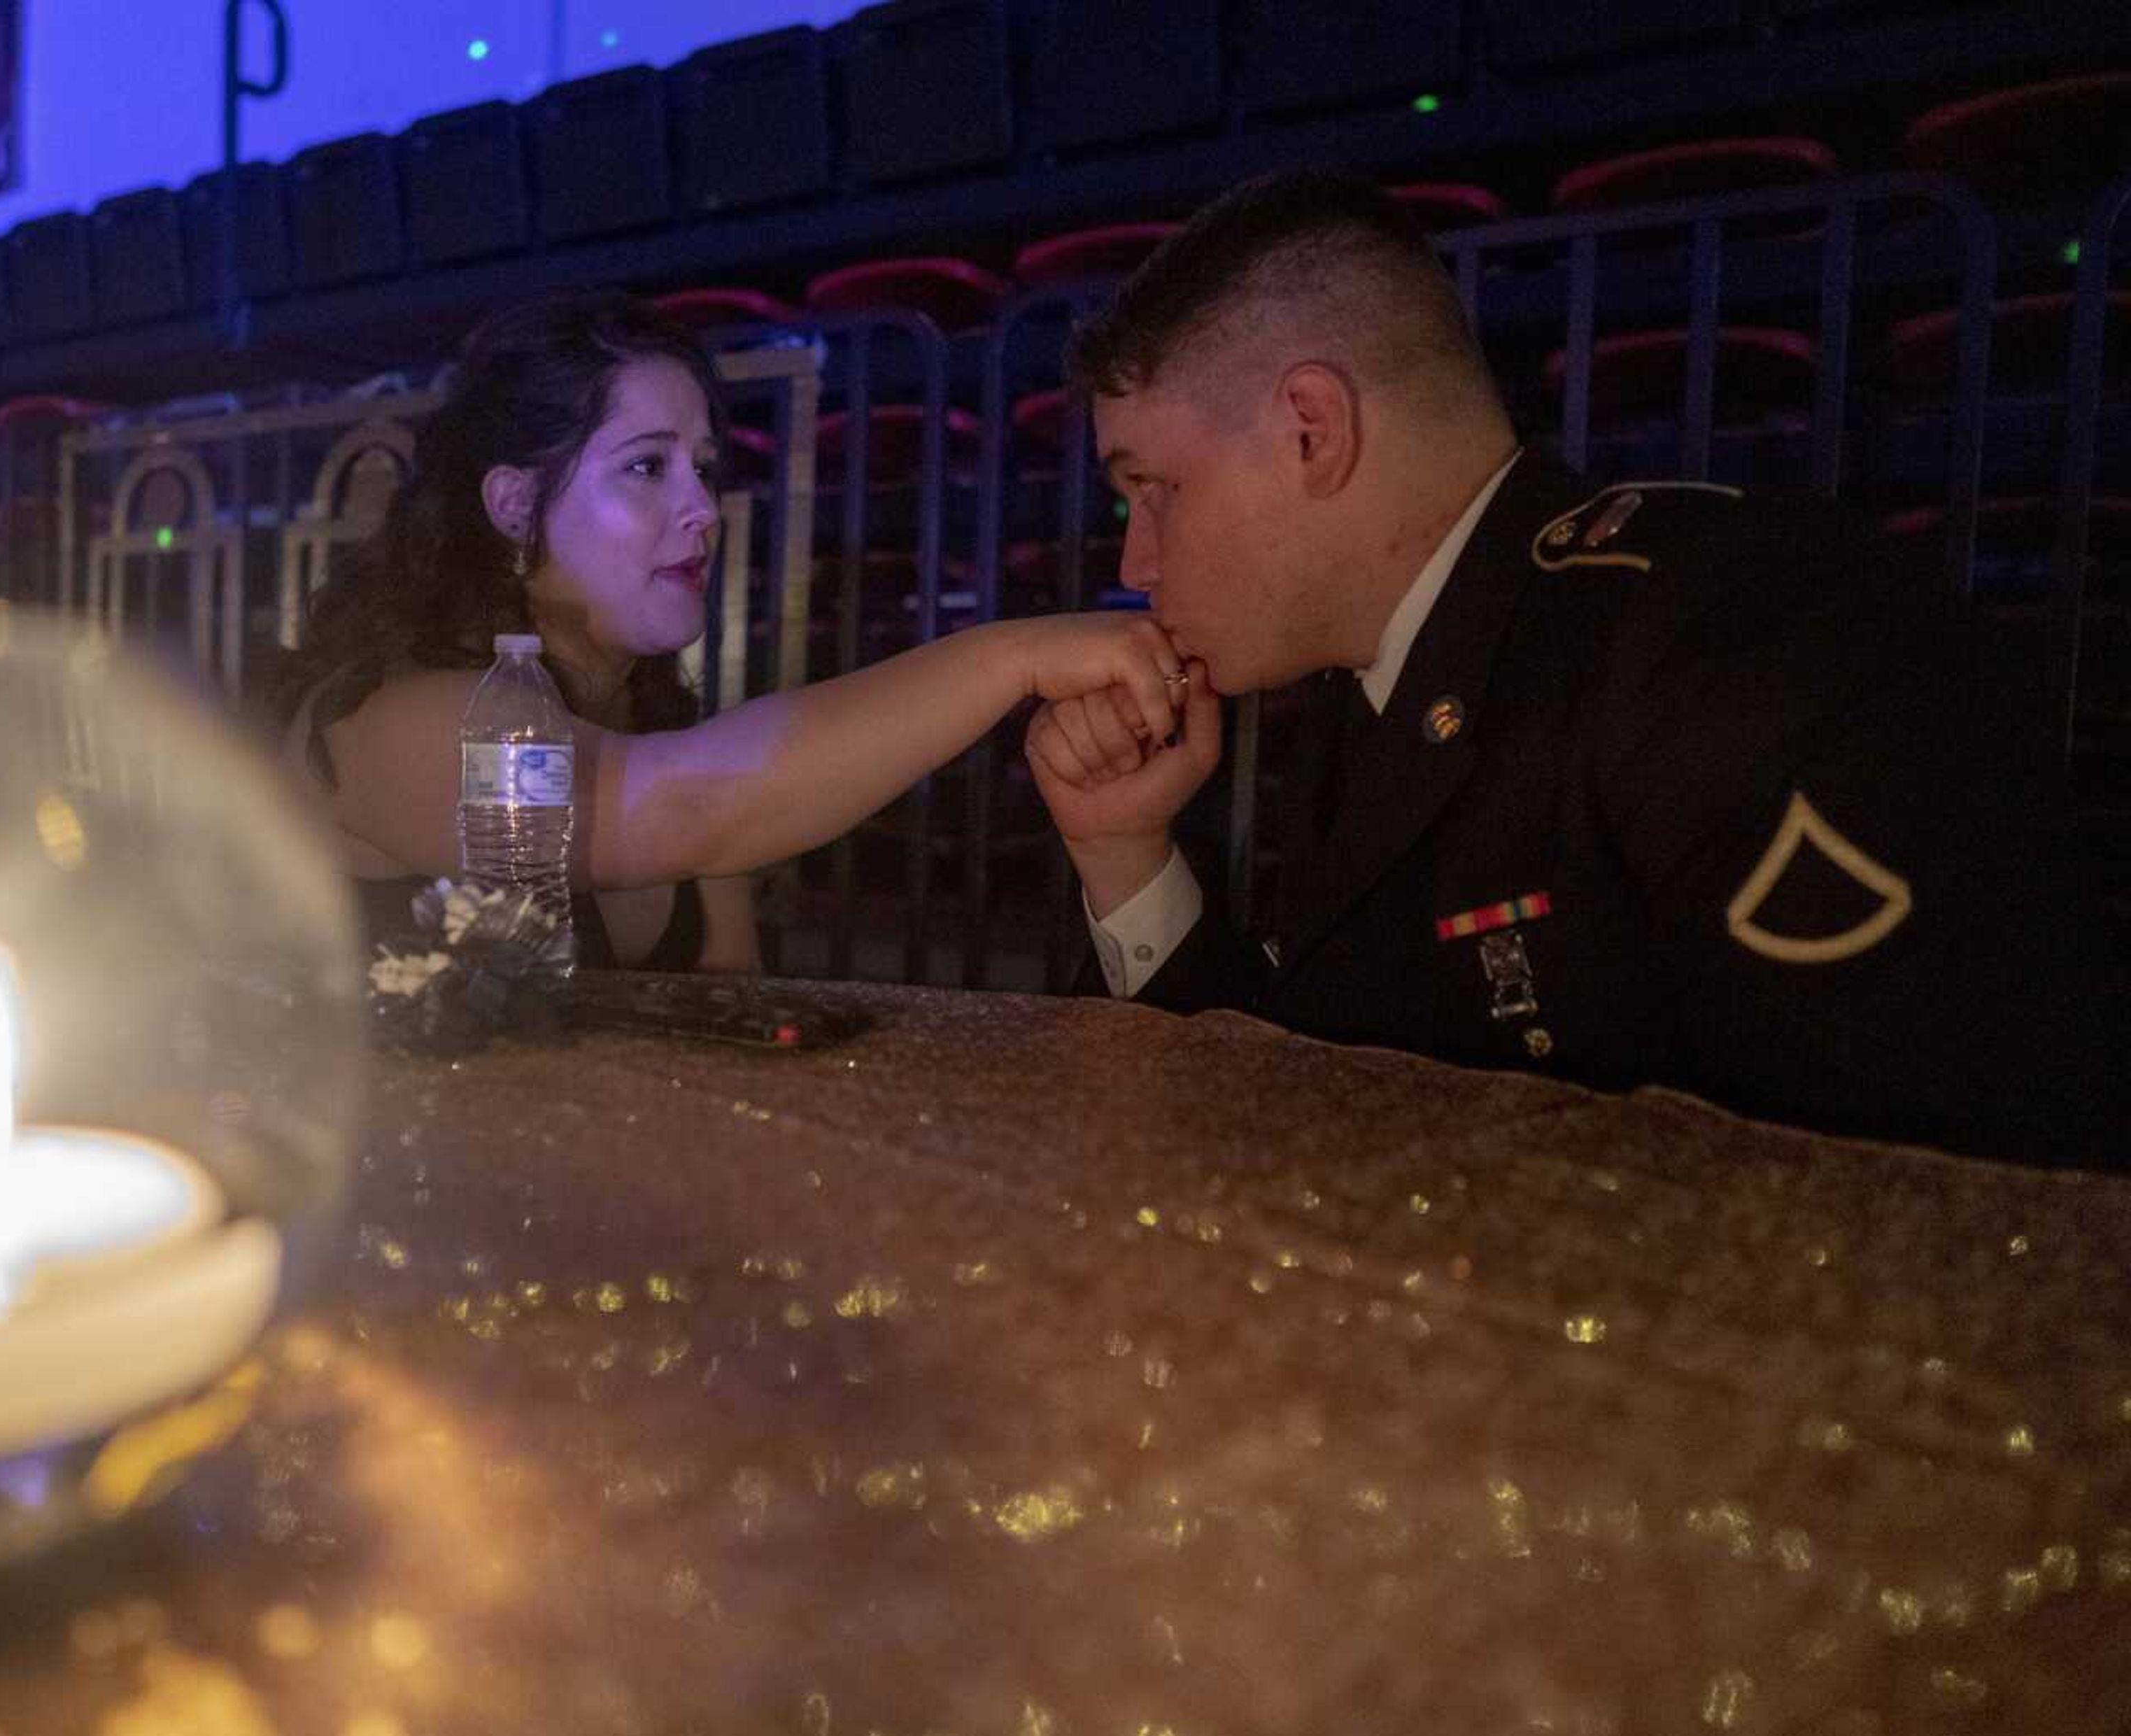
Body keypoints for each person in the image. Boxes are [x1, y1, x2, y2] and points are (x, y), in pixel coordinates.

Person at [1025, 168, 2123, 1166]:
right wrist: (1125, 853)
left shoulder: (1733, 633)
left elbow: (1922, 1209)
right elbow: (1290, 1097)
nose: (1135, 559)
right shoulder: (1383, 675)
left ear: (1312, 431)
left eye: (1153, 488)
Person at [279, 291, 1185, 973]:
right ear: (515, 503)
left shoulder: (655, 722)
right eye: (647, 467)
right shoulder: (401, 718)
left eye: (705, 470)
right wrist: (1013, 654)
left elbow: (730, 1003)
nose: (703, 510)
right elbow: (688, 808)